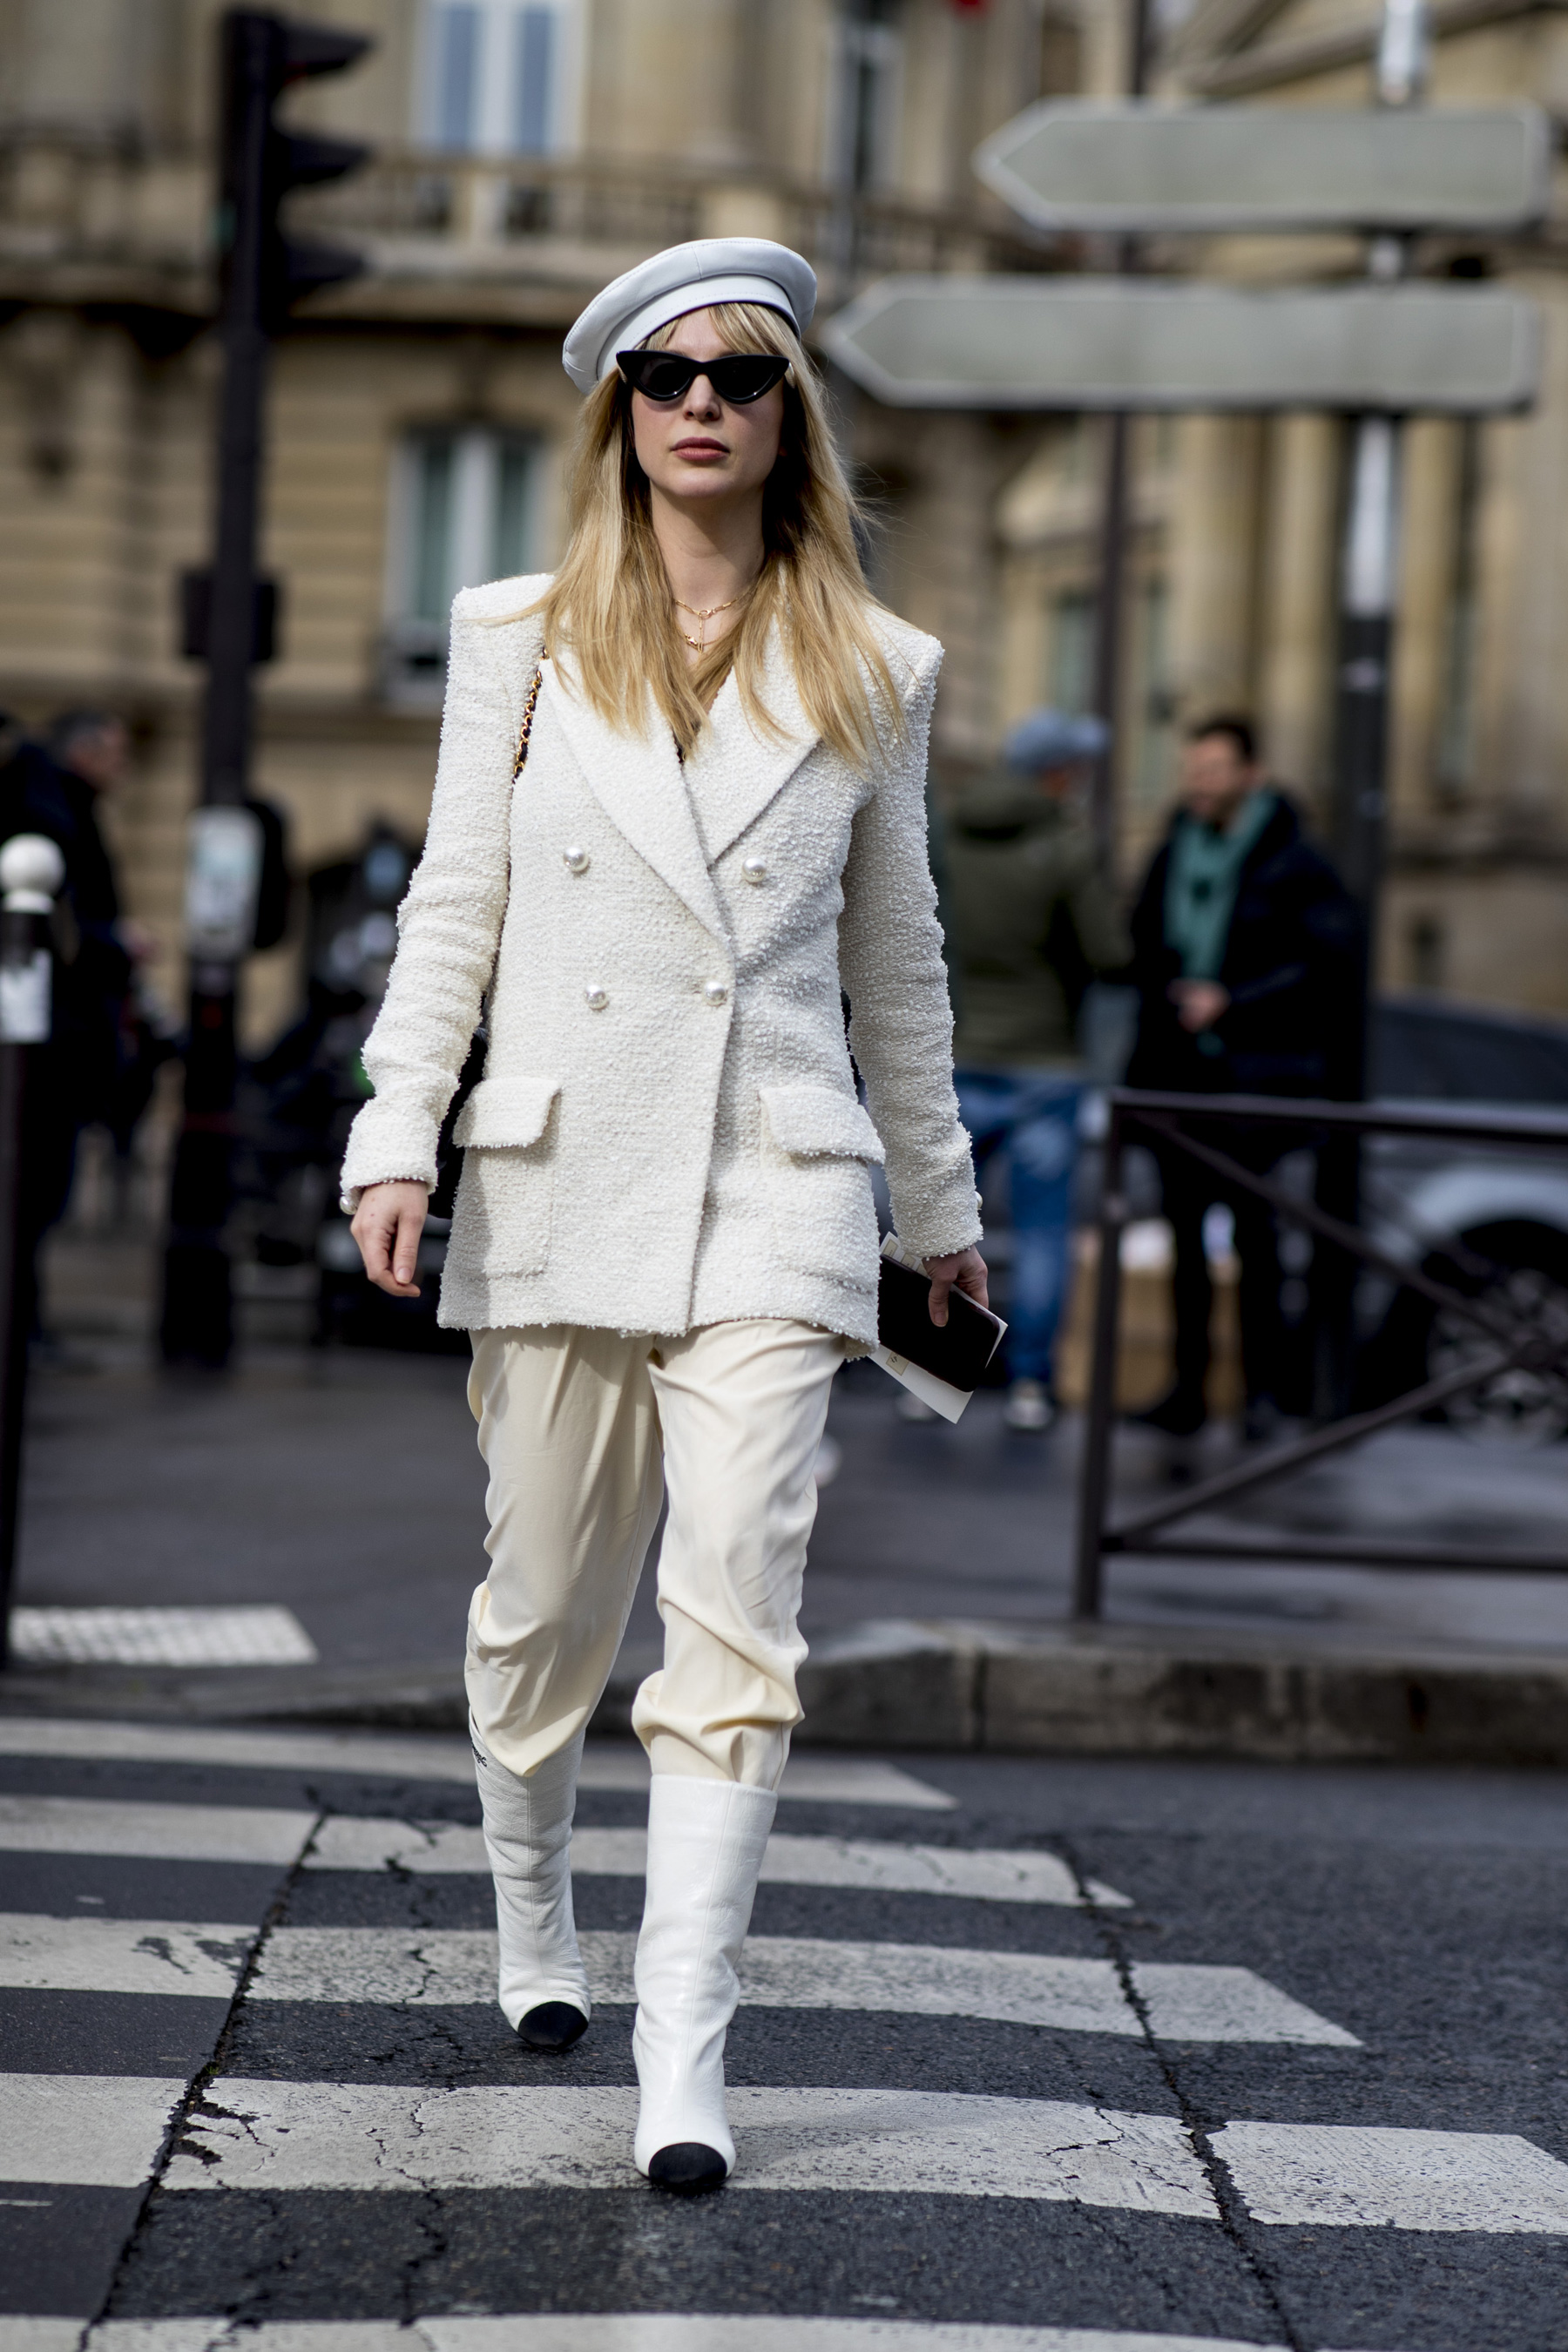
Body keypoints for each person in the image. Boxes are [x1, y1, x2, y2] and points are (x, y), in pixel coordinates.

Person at [342, 239, 985, 2194]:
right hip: (555, 1166)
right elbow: (454, 903)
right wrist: (397, 1126)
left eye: (742, 372)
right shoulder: (516, 637)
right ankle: (533, 1910)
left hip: (776, 1185)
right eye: (662, 370)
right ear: (618, 409)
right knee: (543, 1608)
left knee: (740, 1613)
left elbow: (901, 968)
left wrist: (940, 1207)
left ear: (792, 419)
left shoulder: (880, 669)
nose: (701, 398)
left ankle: (684, 2061)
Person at [1125, 713, 1361, 1441]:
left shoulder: (1294, 858)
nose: (1200, 783)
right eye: (1194, 770)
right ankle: (1188, 1390)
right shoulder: (1172, 851)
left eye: (1214, 770)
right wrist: (1170, 990)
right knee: (1185, 1240)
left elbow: (1327, 964)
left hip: (1258, 1075)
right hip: (1180, 1074)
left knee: (1257, 1240)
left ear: (1250, 775)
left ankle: (1262, 1392)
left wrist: (1233, 999)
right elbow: (1138, 939)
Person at [943, 708, 1130, 1431]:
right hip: (1045, 1060)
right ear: (1057, 774)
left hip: (960, 1050)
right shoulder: (1065, 845)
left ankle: (928, 1381)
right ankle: (1030, 1388)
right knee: (1046, 1230)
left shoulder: (951, 835)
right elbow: (1108, 951)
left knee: (942, 1225)